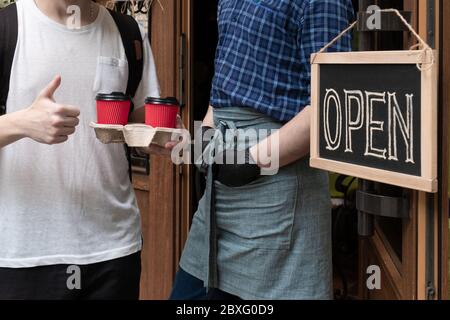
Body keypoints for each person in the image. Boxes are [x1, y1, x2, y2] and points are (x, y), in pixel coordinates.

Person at [170, 0, 354, 300]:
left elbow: (332, 102)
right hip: (221, 192)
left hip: (277, 190)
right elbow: (223, 93)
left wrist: (252, 161)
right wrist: (198, 144)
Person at [0, 0, 161, 299]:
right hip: (25, 253)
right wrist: (22, 123)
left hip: (113, 251)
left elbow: (139, 119)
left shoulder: (127, 32)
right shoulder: (8, 27)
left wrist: (161, 134)